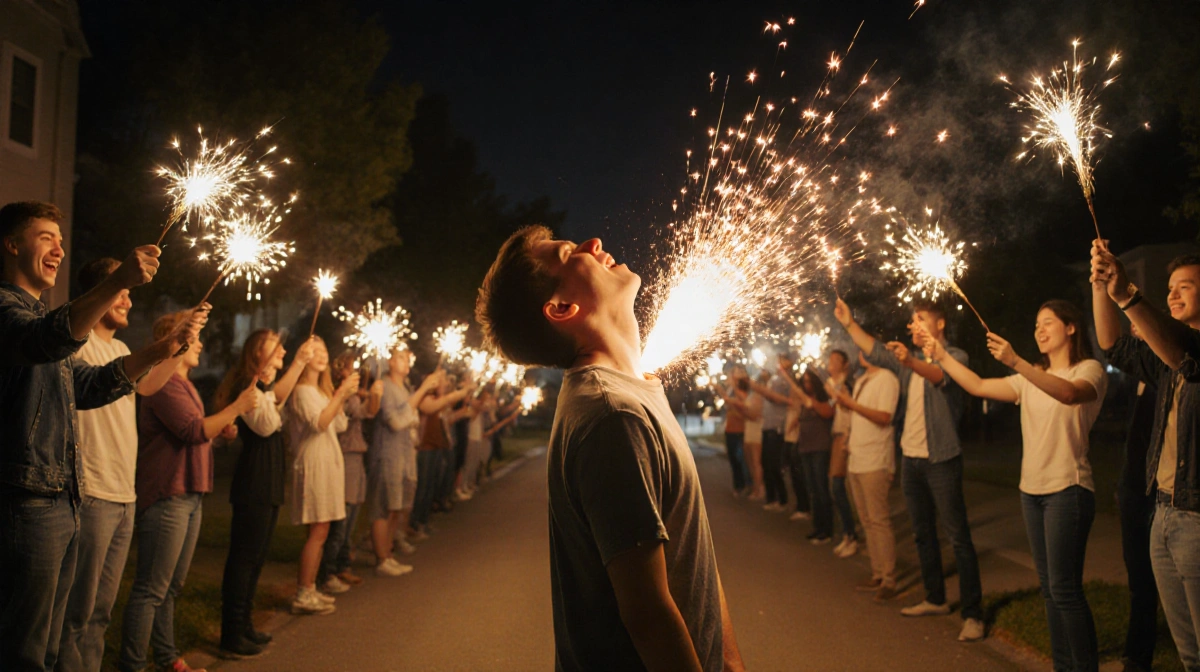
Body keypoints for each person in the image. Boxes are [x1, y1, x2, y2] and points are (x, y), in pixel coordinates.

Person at [476, 226, 744, 671]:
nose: (594, 244)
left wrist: (731, 662)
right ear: (562, 308)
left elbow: (694, 561)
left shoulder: (634, 390)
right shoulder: (611, 415)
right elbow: (648, 612)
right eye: (569, 253)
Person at [0, 201, 201, 672]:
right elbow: (42, 341)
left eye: (60, 239)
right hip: (25, 501)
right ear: (11, 244)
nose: (59, 247)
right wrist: (117, 283)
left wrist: (162, 348)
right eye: (46, 236)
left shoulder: (41, 315)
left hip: (59, 499)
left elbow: (87, 387)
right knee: (22, 647)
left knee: (49, 644)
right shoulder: (7, 310)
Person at [926, 300, 1107, 671]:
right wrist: (940, 354)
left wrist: (1017, 362)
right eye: (1036, 324)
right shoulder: (1028, 379)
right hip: (1032, 492)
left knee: (1065, 589)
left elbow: (1069, 394)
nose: (1039, 331)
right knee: (1049, 589)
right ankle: (1063, 666)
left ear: (1071, 328)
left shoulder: (1087, 370)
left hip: (1068, 489)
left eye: (1048, 323)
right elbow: (976, 385)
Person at [56, 258, 194, 672]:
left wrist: (180, 343)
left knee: (101, 611)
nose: (129, 302)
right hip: (91, 491)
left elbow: (149, 384)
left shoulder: (119, 349)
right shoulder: (76, 342)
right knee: (75, 614)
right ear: (102, 293)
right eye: (122, 292)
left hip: (123, 494)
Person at [833, 297, 985, 641]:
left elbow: (938, 375)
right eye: (911, 320)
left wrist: (910, 360)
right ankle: (935, 598)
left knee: (958, 537)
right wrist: (849, 323)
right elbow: (874, 349)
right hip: (911, 459)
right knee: (922, 533)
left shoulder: (955, 357)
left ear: (940, 323)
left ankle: (973, 614)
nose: (913, 325)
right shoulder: (905, 362)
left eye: (920, 319)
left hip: (942, 459)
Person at [119, 311, 254, 672]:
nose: (202, 345)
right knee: (151, 589)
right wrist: (235, 409)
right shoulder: (162, 383)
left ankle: (167, 659)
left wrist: (222, 428)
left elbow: (200, 432)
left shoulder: (185, 384)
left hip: (190, 492)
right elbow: (193, 432)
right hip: (168, 494)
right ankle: (131, 665)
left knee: (170, 587)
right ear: (176, 341)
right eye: (195, 338)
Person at [1091, 245, 1200, 672]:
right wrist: (1101, 285)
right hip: (1164, 512)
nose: (1172, 296)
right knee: (1188, 652)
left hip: (1196, 517)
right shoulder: (1164, 361)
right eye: (1170, 289)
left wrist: (1127, 295)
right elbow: (1113, 346)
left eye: (1185, 287)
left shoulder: (1186, 351)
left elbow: (1182, 354)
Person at [214, 329, 313, 656]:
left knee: (256, 559)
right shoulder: (248, 386)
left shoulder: (264, 387)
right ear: (259, 351)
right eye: (277, 345)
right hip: (253, 482)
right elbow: (267, 425)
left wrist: (293, 366)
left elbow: (278, 399)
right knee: (243, 559)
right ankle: (231, 634)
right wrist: (287, 370)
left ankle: (245, 626)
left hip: (267, 480)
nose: (283, 350)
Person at [287, 336, 358, 615]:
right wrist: (340, 394)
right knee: (317, 530)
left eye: (324, 349)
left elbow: (338, 424)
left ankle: (311, 587)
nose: (321, 354)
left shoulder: (321, 391)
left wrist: (340, 396)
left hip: (328, 461)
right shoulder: (302, 390)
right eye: (314, 350)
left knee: (323, 529)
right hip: (314, 461)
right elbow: (318, 424)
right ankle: (303, 591)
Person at [826, 351, 901, 601]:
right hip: (857, 459)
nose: (862, 354)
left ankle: (889, 579)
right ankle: (877, 573)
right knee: (867, 520)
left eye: (868, 349)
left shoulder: (888, 379)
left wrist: (851, 403)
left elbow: (884, 417)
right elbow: (856, 415)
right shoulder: (861, 381)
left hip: (875, 460)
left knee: (879, 520)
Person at [368, 344, 441, 576]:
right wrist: (423, 390)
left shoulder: (405, 387)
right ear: (389, 362)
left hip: (405, 454)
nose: (406, 361)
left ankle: (388, 553)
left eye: (407, 357)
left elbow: (411, 418)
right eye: (400, 358)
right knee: (384, 506)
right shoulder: (386, 387)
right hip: (388, 455)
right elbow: (396, 422)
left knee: (396, 508)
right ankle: (381, 558)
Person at [318, 352, 380, 594]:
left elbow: (370, 411)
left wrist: (375, 394)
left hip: (356, 454)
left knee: (352, 512)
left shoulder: (352, 393)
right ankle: (329, 569)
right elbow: (361, 412)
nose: (355, 371)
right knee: (343, 515)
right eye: (349, 368)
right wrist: (363, 395)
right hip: (345, 454)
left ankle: (342, 563)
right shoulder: (340, 394)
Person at [411, 376, 472, 536]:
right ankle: (414, 524)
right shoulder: (425, 399)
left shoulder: (441, 401)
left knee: (430, 486)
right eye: (442, 381)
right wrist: (461, 393)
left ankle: (423, 522)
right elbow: (432, 408)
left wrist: (460, 412)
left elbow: (446, 420)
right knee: (422, 488)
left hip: (437, 448)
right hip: (424, 448)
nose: (445, 384)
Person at [783, 367, 835, 544]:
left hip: (819, 448)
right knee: (812, 489)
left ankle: (827, 529)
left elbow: (828, 412)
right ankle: (818, 526)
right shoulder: (804, 402)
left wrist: (812, 402)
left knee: (821, 489)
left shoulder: (824, 399)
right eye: (803, 381)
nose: (806, 385)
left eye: (808, 381)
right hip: (805, 448)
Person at [751, 358, 799, 513]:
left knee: (774, 464)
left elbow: (776, 398)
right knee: (766, 463)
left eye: (783, 361)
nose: (779, 364)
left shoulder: (786, 381)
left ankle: (782, 499)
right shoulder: (773, 380)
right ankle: (771, 498)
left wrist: (758, 388)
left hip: (777, 427)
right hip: (768, 426)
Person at [825, 350, 860, 558]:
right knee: (837, 487)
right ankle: (848, 534)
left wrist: (835, 388)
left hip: (848, 434)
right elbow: (832, 403)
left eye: (835, 360)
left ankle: (852, 535)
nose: (830, 363)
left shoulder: (850, 383)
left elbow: (843, 402)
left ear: (845, 364)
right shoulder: (831, 382)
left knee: (839, 486)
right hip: (838, 434)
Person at [717, 371, 749, 496]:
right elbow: (727, 399)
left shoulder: (744, 396)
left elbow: (742, 411)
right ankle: (738, 485)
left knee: (740, 459)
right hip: (730, 430)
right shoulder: (735, 396)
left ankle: (744, 485)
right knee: (733, 460)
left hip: (740, 431)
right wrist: (718, 388)